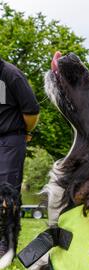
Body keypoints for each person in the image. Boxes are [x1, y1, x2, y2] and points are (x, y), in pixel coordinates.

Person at [0, 57, 40, 259]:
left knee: (7, 192)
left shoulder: (11, 74)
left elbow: (31, 111)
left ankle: (5, 245)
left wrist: (24, 132)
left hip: (10, 139)